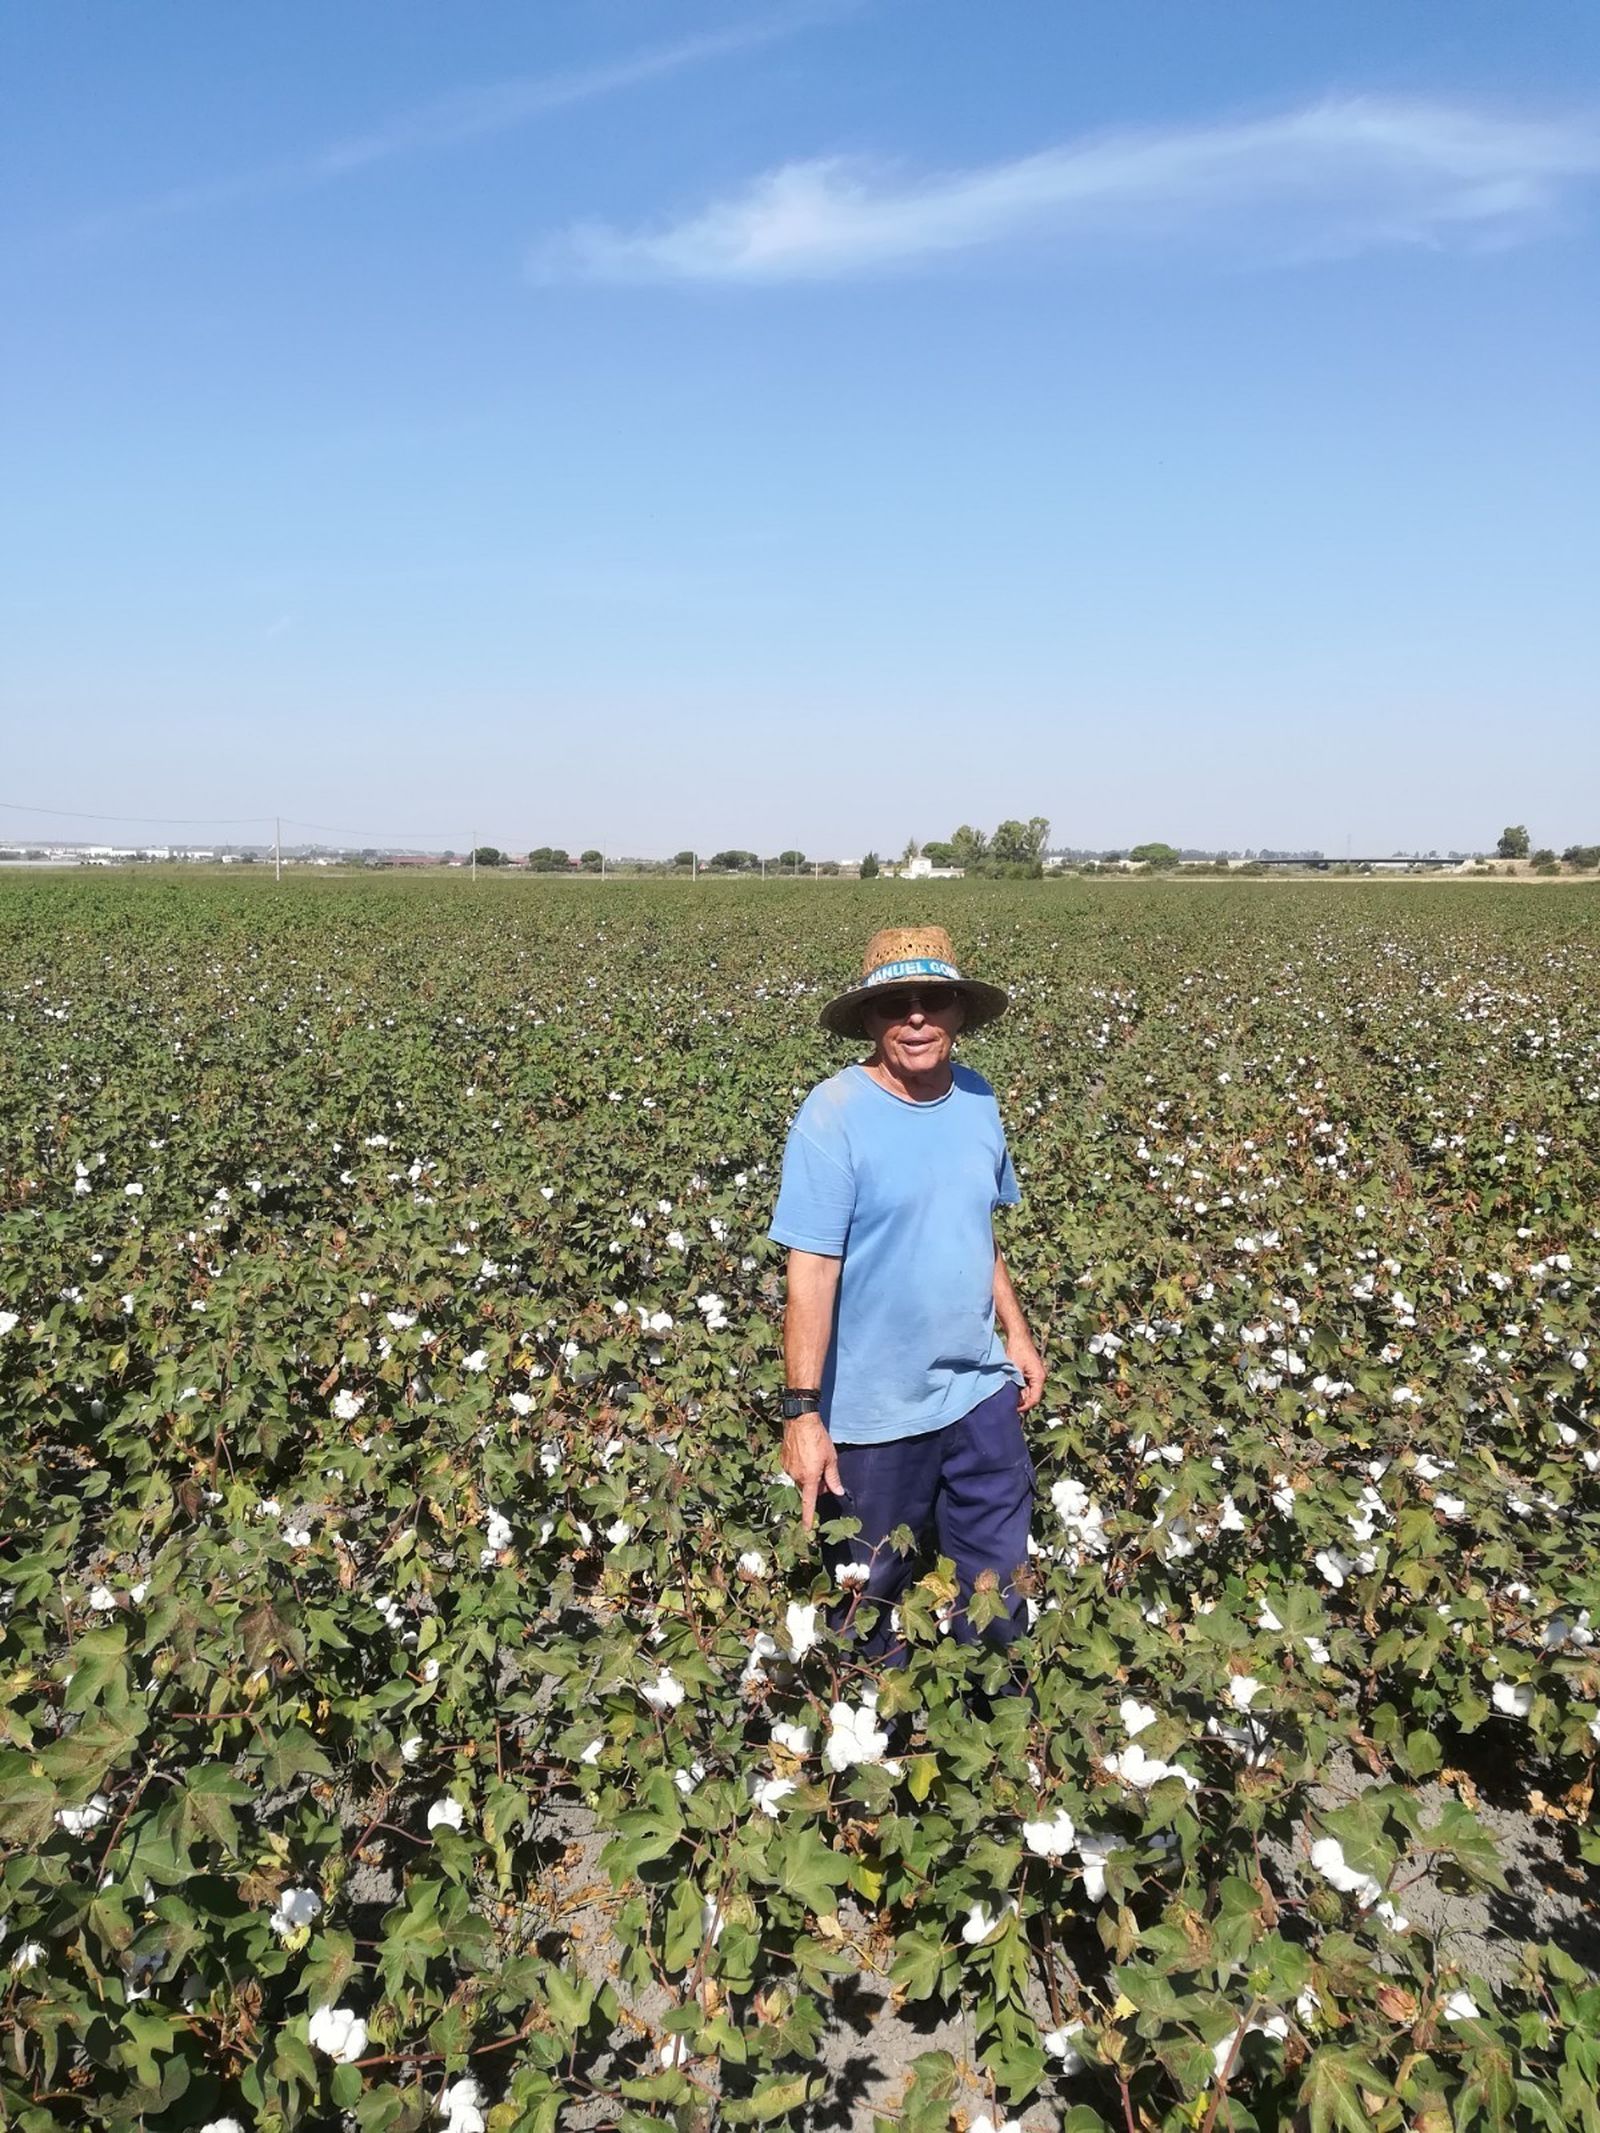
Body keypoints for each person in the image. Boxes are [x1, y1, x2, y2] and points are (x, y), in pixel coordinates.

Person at [769, 925, 1045, 1659]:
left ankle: (989, 1739)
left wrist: (1015, 1330)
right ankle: (875, 1756)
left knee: (996, 1595)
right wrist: (801, 1413)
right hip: (872, 1415)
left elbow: (974, 1226)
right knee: (868, 1605)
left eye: (933, 1000)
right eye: (896, 1003)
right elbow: (811, 1273)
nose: (916, 1017)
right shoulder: (833, 1114)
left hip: (978, 1390)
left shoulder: (978, 1098)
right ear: (869, 1019)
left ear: (959, 1012)